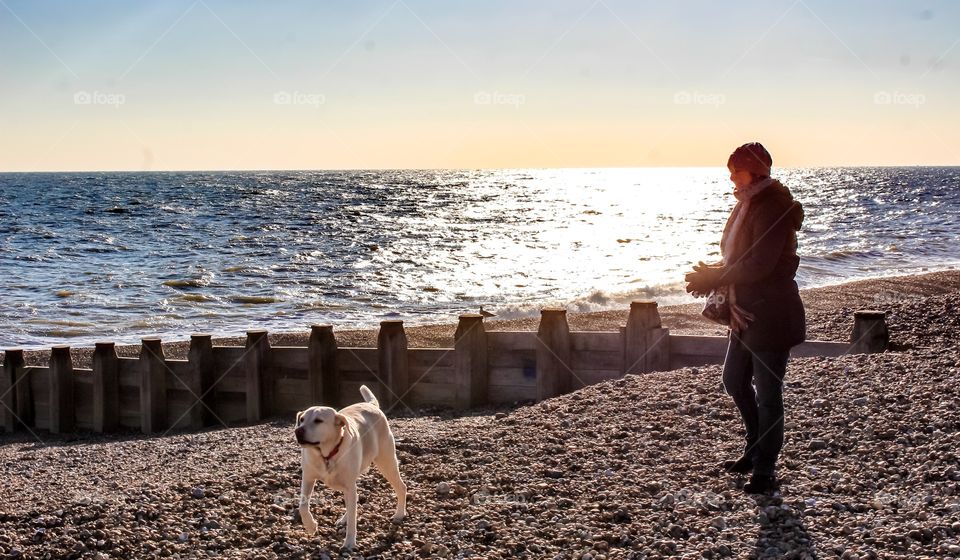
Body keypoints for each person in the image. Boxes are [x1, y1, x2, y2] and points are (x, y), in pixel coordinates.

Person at [684, 142, 805, 494]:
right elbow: (741, 258)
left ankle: (765, 469)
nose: (731, 178)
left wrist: (717, 278)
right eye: (730, 171)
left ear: (756, 171)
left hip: (772, 313)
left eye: (736, 171)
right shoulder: (748, 203)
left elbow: (761, 264)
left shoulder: (774, 207)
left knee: (768, 394)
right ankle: (754, 448)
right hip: (745, 310)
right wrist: (715, 270)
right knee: (734, 380)